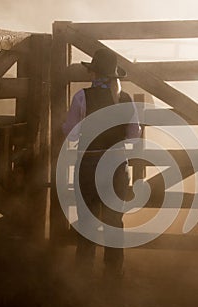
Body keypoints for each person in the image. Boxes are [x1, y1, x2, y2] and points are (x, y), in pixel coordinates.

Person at [62, 48, 141, 277]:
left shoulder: (81, 97)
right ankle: (113, 273)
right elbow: (133, 134)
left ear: (93, 72)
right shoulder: (125, 98)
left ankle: (83, 272)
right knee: (114, 220)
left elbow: (72, 133)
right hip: (116, 165)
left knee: (87, 219)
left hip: (88, 163)